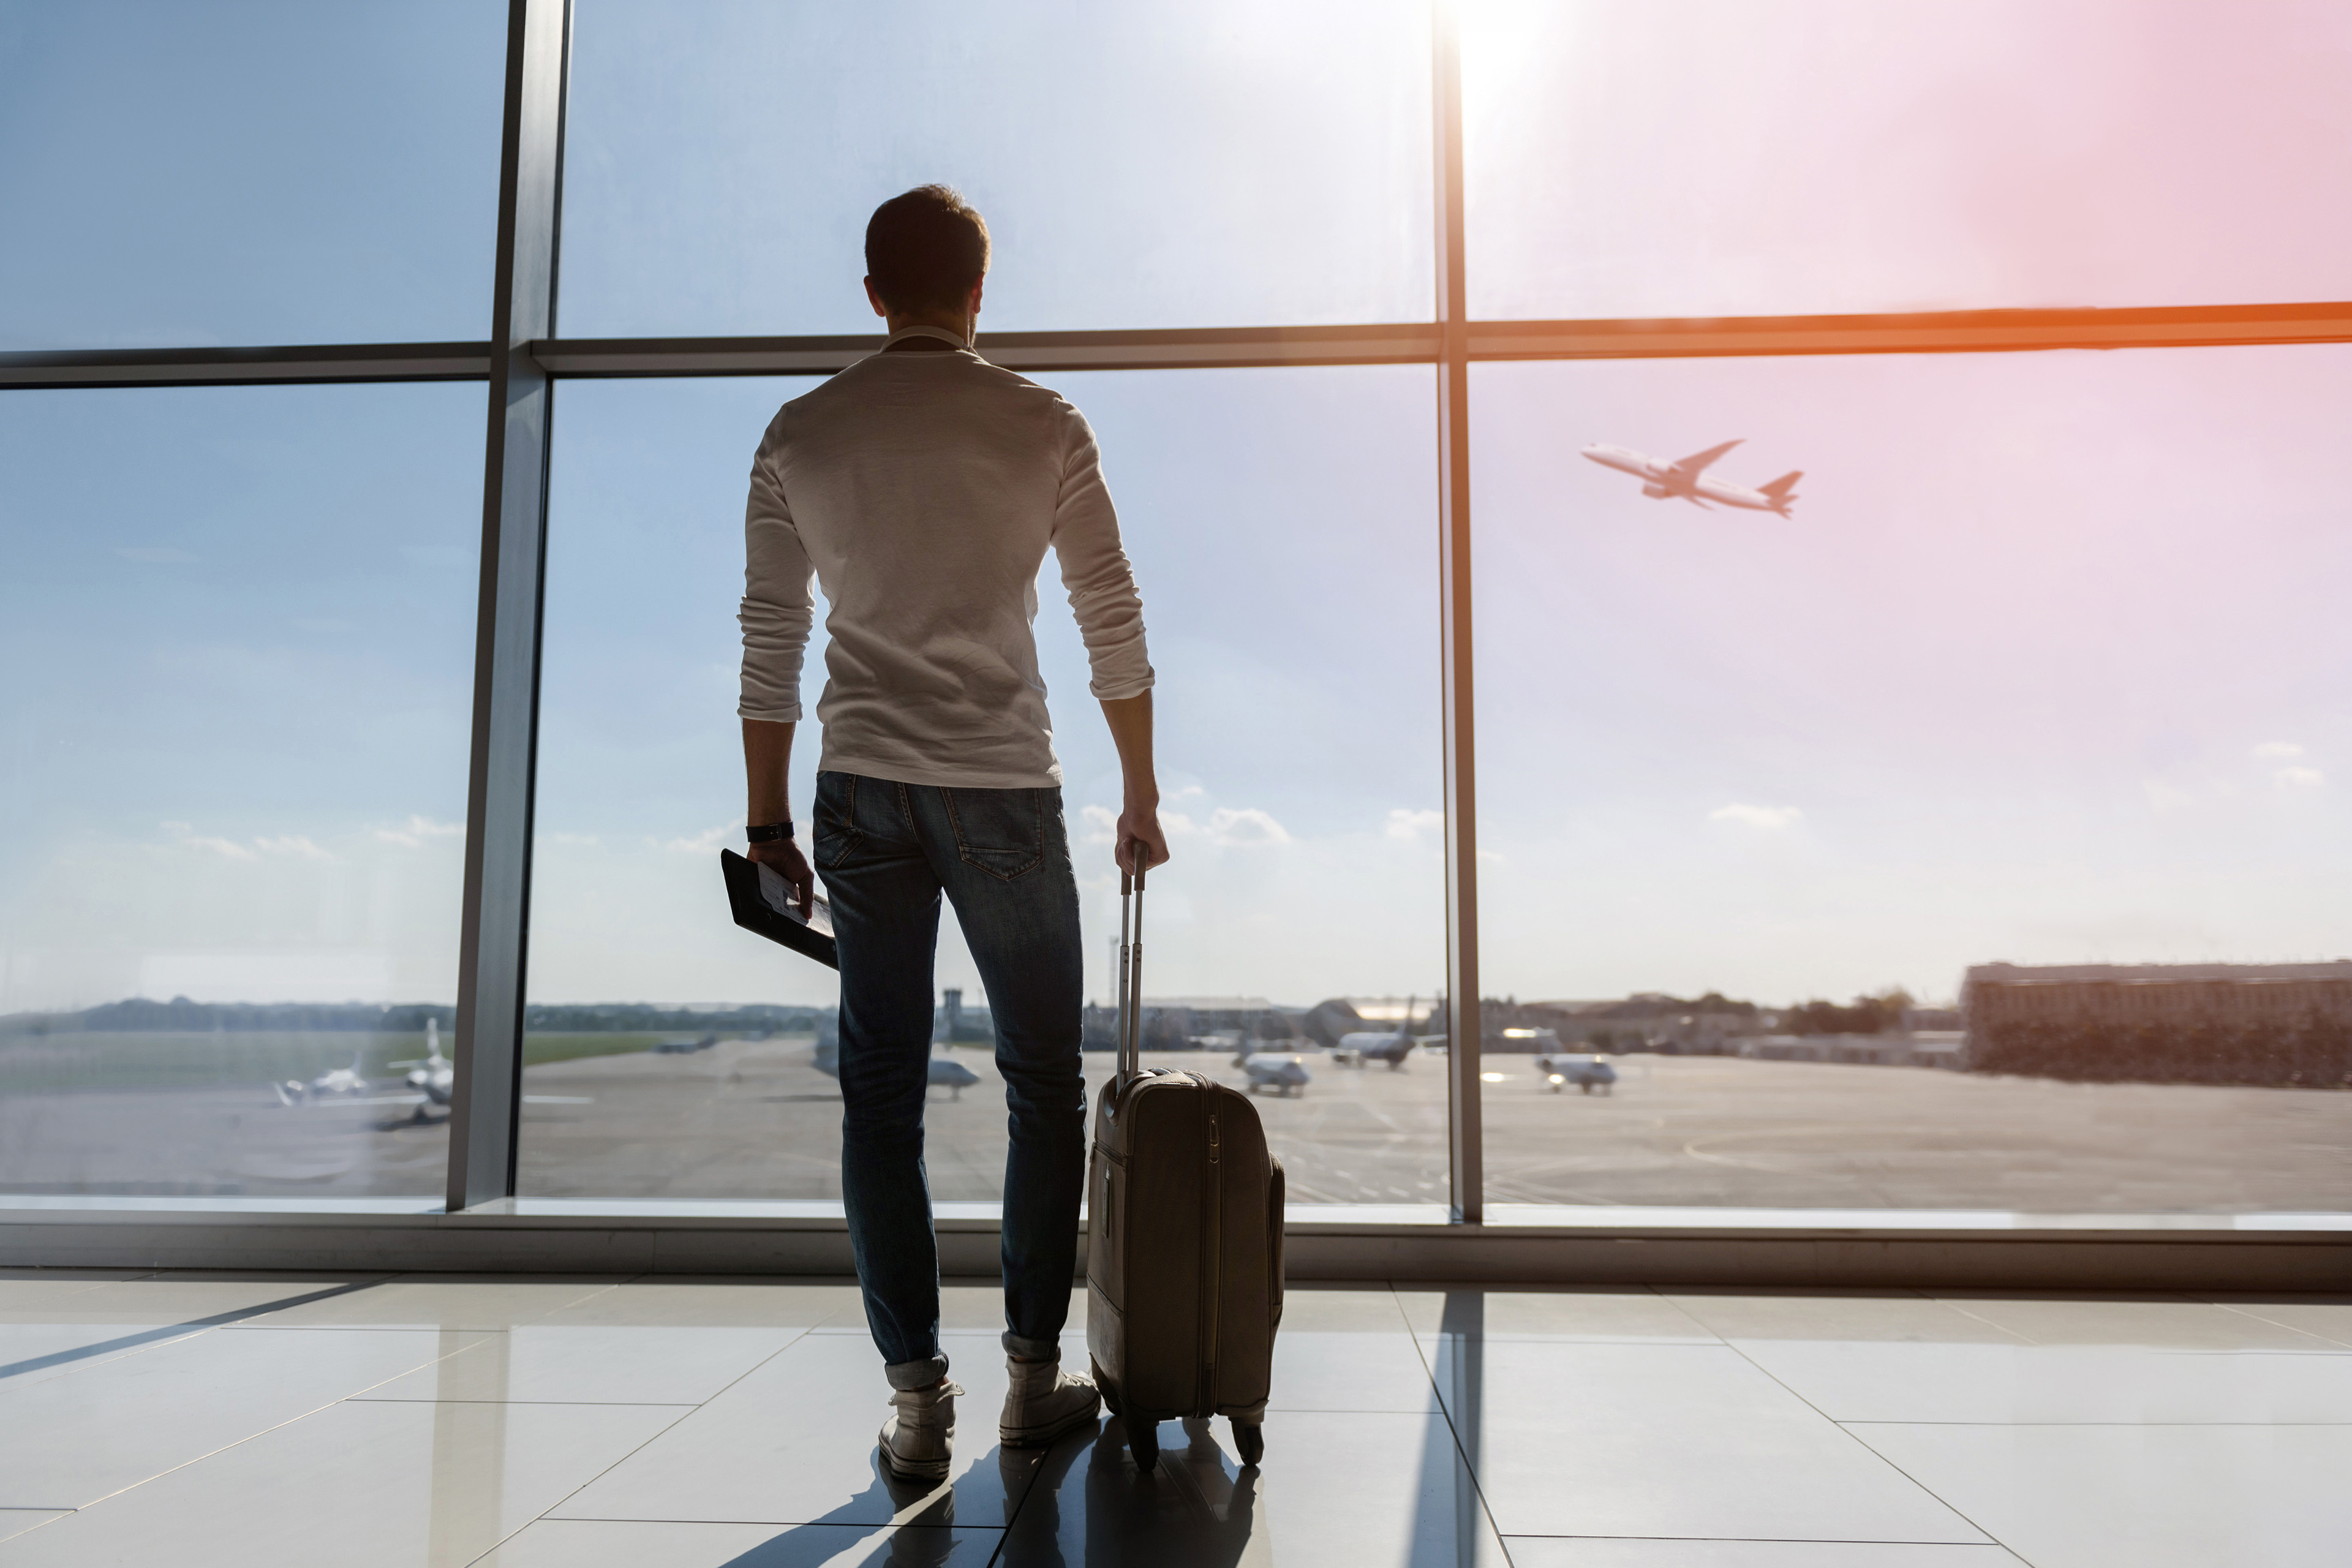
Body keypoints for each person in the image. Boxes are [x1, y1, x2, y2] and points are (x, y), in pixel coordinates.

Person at [736, 184, 1169, 1482]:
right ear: (982, 292)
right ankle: (1033, 1383)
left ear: (872, 292)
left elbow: (771, 640)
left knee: (881, 1092)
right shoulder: (1045, 421)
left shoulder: (799, 431)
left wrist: (766, 819)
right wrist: (1140, 790)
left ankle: (915, 1401)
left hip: (858, 787)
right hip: (1001, 786)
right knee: (1041, 1083)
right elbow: (1111, 609)